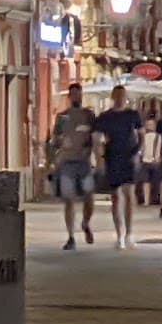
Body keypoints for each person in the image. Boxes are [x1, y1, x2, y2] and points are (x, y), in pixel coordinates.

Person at [94, 84, 143, 250]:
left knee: (129, 194)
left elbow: (141, 135)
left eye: (123, 95)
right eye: (118, 95)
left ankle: (129, 233)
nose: (120, 98)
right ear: (113, 97)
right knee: (115, 196)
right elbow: (97, 138)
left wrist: (137, 153)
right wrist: (99, 158)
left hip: (129, 157)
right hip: (112, 157)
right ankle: (119, 234)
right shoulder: (105, 117)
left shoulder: (132, 115)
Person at [50, 83, 97, 251]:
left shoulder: (89, 115)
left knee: (89, 196)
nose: (76, 97)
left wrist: (94, 153)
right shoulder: (62, 117)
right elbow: (54, 140)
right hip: (66, 163)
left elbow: (95, 137)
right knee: (68, 199)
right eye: (74, 94)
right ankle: (70, 236)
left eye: (79, 94)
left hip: (84, 162)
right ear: (69, 97)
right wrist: (59, 145)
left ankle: (85, 223)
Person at [140, 115, 162, 207]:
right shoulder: (143, 136)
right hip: (145, 161)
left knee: (155, 182)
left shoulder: (158, 136)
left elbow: (160, 148)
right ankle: (146, 201)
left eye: (151, 124)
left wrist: (159, 158)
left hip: (155, 161)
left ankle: (155, 199)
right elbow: (141, 148)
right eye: (148, 124)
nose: (150, 126)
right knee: (146, 182)